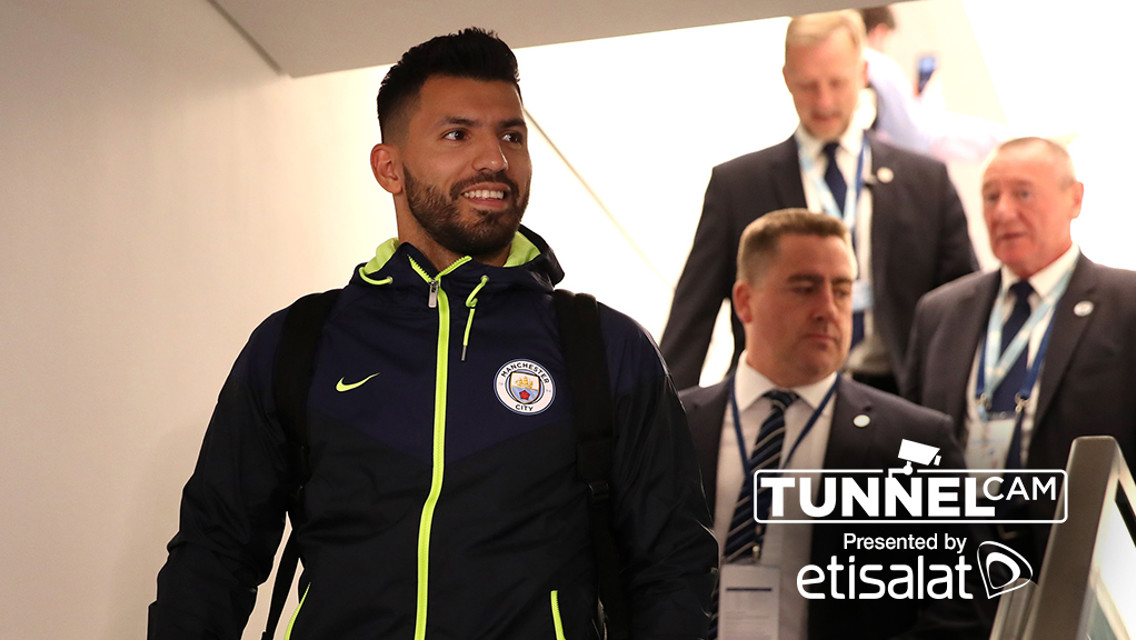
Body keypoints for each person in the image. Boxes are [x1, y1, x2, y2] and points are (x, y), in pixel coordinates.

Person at [148, 28, 716, 640]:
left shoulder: (605, 348)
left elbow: (674, 568)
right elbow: (214, 553)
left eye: (511, 135)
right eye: (457, 134)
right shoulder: (299, 342)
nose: (494, 159)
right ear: (389, 168)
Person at [682, 209, 989, 639]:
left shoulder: (917, 443)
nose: (828, 309)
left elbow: (962, 609)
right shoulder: (673, 426)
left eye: (843, 291)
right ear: (745, 301)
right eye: (805, 288)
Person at [660, 10, 978, 393]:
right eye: (809, 85)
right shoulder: (739, 186)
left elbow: (966, 309)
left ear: (863, 75)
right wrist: (668, 425)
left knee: (918, 456)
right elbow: (692, 317)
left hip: (899, 401)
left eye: (836, 83)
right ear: (786, 78)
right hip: (774, 399)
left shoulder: (926, 182)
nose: (824, 101)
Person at [904, 136, 1136, 569]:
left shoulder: (1126, 304)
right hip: (955, 564)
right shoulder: (940, 312)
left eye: (1023, 193)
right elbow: (914, 439)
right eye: (991, 196)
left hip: (1083, 560)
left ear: (1075, 199)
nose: (1003, 211)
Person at [858, 6, 1006, 163]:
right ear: (880, 32)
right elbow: (914, 136)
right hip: (910, 149)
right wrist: (929, 98)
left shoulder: (863, 63)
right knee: (1000, 137)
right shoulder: (880, 65)